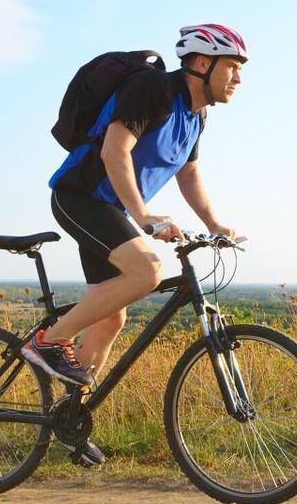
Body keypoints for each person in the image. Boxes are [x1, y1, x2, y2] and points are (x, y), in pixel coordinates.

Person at [22, 23, 247, 466]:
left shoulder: (196, 115)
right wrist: (144, 216)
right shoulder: (155, 90)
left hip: (111, 210)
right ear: (203, 64)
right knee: (147, 271)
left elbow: (189, 175)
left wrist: (217, 224)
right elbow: (114, 152)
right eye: (233, 67)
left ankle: (68, 419)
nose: (238, 78)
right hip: (80, 197)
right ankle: (48, 341)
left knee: (110, 318)